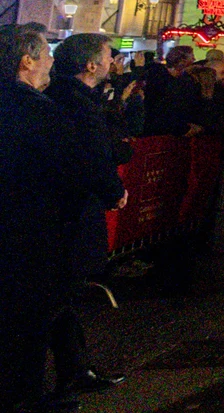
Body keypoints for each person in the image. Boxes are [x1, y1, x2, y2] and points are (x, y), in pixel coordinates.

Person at [1, 27, 86, 413]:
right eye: (46, 53)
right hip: (29, 233)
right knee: (26, 322)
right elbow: (65, 178)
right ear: (27, 61)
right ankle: (23, 397)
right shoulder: (39, 111)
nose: (52, 60)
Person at [41, 33, 129, 403]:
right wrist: (115, 191)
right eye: (108, 56)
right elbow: (94, 155)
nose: (112, 62)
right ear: (91, 64)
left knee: (62, 295)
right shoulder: (78, 104)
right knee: (58, 294)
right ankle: (65, 375)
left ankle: (75, 368)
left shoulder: (65, 98)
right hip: (69, 213)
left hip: (62, 211)